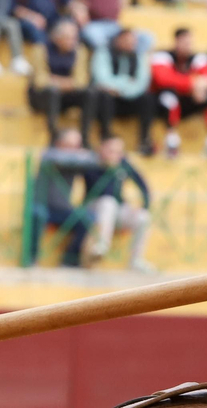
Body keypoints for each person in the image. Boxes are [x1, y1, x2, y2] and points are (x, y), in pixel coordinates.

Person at [149, 28, 207, 158]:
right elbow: (163, 80)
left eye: (190, 43)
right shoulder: (162, 56)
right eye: (185, 42)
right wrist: (193, 84)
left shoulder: (197, 58)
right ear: (176, 41)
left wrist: (203, 85)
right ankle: (171, 142)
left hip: (190, 101)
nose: (188, 46)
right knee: (169, 96)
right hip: (162, 103)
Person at [83, 135, 155, 272]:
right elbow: (104, 192)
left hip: (117, 209)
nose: (115, 155)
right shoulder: (92, 163)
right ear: (101, 149)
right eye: (111, 150)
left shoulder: (123, 164)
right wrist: (109, 169)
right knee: (108, 202)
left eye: (119, 152)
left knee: (143, 217)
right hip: (94, 206)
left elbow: (142, 185)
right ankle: (102, 245)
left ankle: (136, 260)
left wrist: (143, 206)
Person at [26, 127, 92, 267]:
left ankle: (70, 259)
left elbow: (95, 160)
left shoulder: (75, 162)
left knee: (86, 218)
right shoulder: (49, 155)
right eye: (69, 145)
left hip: (62, 209)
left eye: (77, 146)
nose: (73, 149)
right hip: (41, 204)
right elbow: (54, 157)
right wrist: (80, 155)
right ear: (59, 143)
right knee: (37, 214)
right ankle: (31, 257)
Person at [87, 26, 156, 154]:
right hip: (109, 98)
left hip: (129, 97)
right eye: (127, 41)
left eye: (133, 42)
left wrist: (122, 90)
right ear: (118, 40)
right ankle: (105, 136)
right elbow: (102, 79)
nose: (131, 44)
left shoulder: (139, 56)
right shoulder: (104, 52)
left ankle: (144, 139)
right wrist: (125, 82)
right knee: (103, 96)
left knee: (148, 99)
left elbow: (142, 82)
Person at [36, 18, 90, 141]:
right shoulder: (41, 49)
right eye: (68, 38)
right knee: (52, 92)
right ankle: (53, 137)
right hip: (43, 96)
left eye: (74, 38)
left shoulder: (80, 51)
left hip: (65, 95)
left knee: (89, 93)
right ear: (56, 38)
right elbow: (40, 81)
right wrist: (69, 82)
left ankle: (85, 137)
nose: (72, 42)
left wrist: (54, 80)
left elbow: (81, 82)